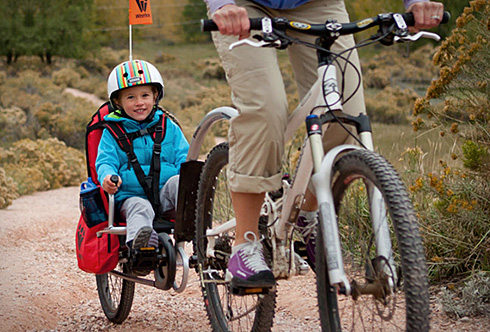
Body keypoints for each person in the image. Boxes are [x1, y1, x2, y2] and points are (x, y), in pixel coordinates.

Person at [204, 0, 445, 288]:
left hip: (317, 3)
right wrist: (223, 4)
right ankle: (245, 244)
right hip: (244, 6)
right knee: (266, 109)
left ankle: (305, 211)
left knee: (344, 112)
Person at [96, 59, 189, 263]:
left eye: (145, 95)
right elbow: (105, 161)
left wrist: (190, 176)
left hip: (165, 196)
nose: (140, 102)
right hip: (131, 197)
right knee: (140, 207)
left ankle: (196, 228)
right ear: (118, 101)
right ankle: (142, 248)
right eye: (131, 97)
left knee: (180, 182)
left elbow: (184, 157)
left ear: (156, 96)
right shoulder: (112, 132)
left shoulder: (168, 127)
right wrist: (107, 178)